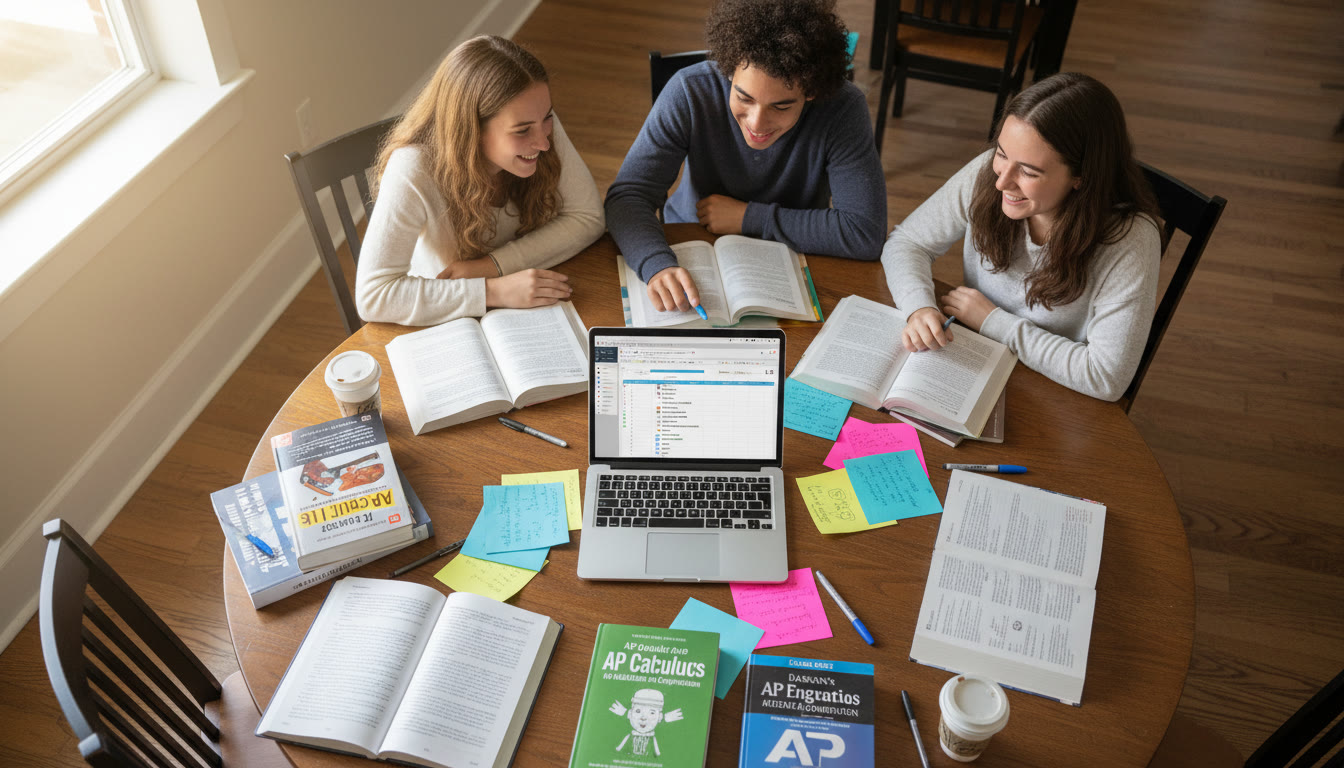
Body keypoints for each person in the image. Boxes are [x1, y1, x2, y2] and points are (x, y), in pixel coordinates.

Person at [882, 73, 1161, 401]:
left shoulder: (1130, 240)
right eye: (1001, 153)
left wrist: (993, 322)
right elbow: (907, 242)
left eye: (1029, 172)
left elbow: (1106, 377)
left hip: (1053, 391)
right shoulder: (988, 173)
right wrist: (919, 307)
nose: (1001, 182)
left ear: (1081, 176)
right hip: (968, 357)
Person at [605, 0, 886, 314]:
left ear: (812, 92)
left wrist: (748, 217)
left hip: (794, 252)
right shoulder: (689, 90)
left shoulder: (843, 109)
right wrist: (655, 264)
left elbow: (864, 232)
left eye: (781, 106)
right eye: (743, 97)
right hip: (692, 240)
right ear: (729, 68)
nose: (756, 124)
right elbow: (628, 196)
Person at [355, 35, 605, 326]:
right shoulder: (412, 169)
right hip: (447, 320)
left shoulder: (535, 119)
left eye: (547, 119)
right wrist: (490, 291)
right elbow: (374, 296)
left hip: (523, 305)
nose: (544, 142)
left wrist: (491, 268)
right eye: (522, 131)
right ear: (471, 130)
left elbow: (588, 217)